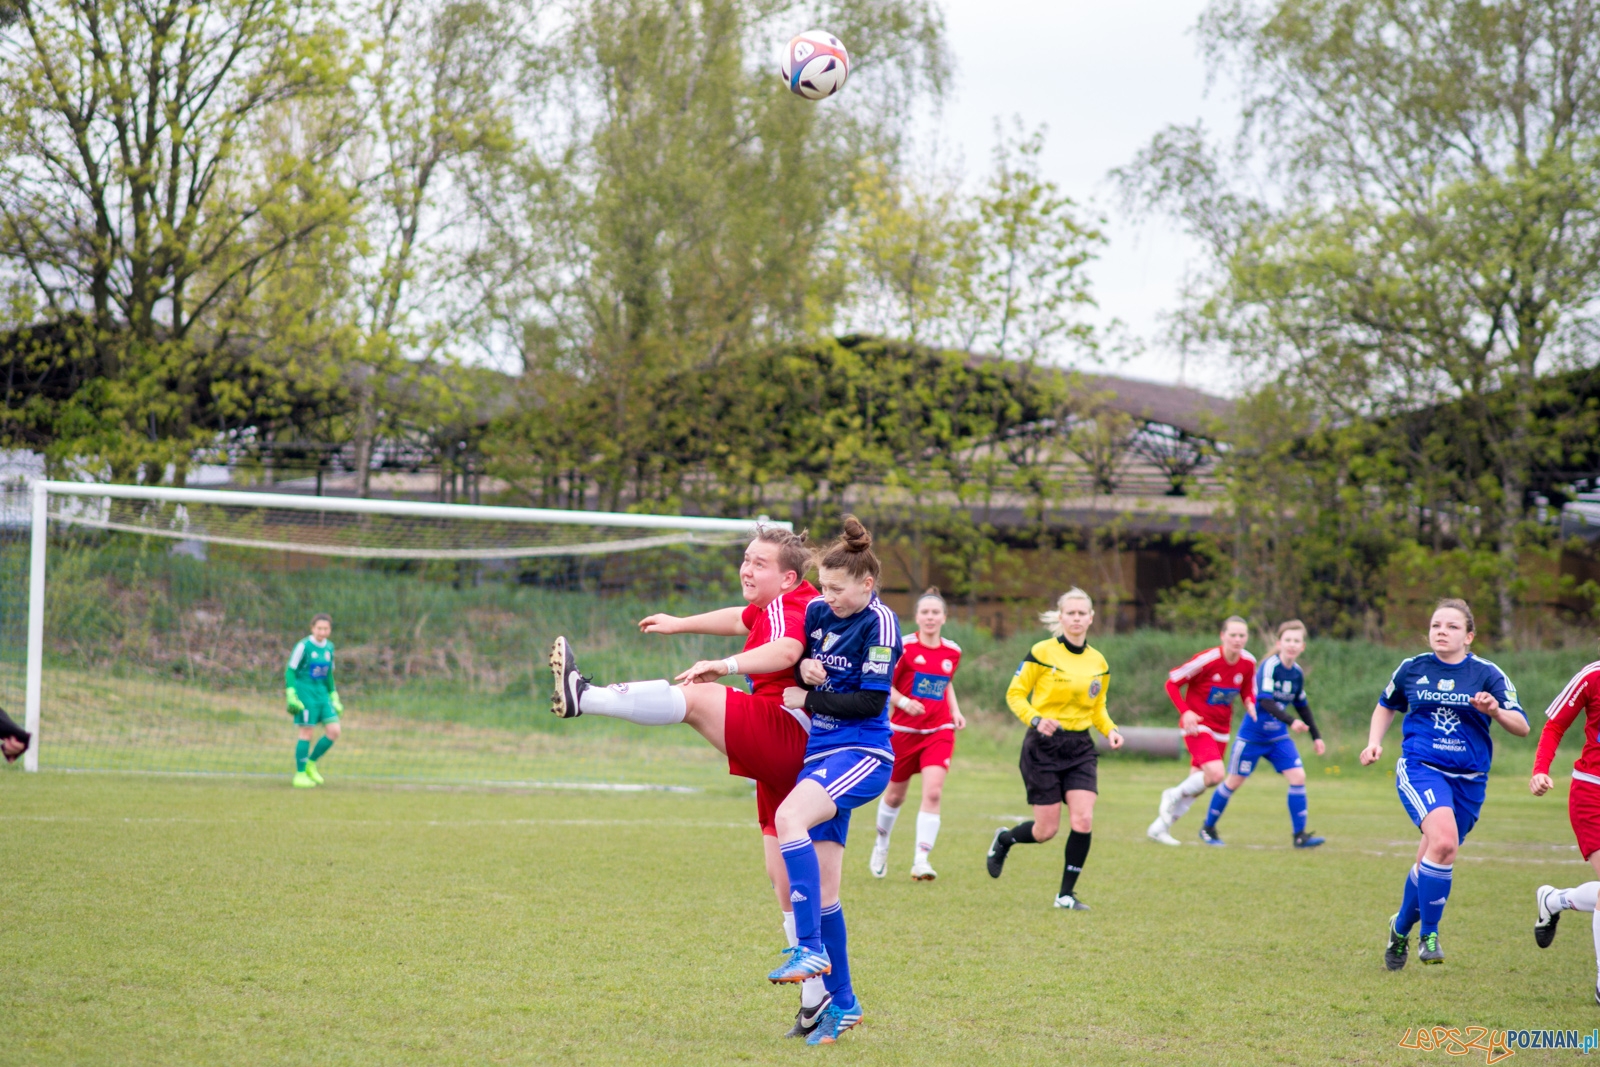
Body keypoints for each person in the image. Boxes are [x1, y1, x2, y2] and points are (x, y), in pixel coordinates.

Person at [548, 526, 833, 1038]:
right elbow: (737, 618)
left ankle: (584, 696)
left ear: (788, 577)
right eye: (745, 559)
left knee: (700, 699)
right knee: (783, 879)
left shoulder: (797, 605)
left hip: (793, 734)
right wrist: (680, 625)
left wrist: (724, 665)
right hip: (783, 751)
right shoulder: (769, 606)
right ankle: (816, 1001)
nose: (747, 569)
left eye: (758, 563)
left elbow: (787, 652)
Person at [766, 516, 898, 1046]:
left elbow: (870, 699)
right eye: (824, 587)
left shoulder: (882, 623)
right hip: (820, 754)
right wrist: (806, 675)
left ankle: (810, 948)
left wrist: (808, 696)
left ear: (867, 585)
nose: (828, 598)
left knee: (787, 818)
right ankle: (843, 1003)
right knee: (824, 892)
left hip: (864, 752)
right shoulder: (819, 613)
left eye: (839, 589)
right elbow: (803, 666)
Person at [1362, 598, 1527, 969]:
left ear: (1469, 636)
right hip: (1422, 768)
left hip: (1469, 781)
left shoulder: (1487, 674)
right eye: (1437, 625)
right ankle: (1429, 936)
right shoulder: (1412, 668)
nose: (1442, 631)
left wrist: (1496, 711)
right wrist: (1374, 742)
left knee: (1432, 858)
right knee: (1444, 842)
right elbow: (1386, 704)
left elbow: (1522, 726)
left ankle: (1400, 928)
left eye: (1452, 626)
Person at [986, 588, 1124, 909]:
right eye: (1070, 613)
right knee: (1046, 830)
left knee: (1083, 819)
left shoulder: (1098, 661)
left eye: (1082, 613)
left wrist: (1111, 729)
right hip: (1043, 747)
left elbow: (1098, 707)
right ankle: (1005, 839)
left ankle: (1065, 895)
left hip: (1080, 748)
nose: (1076, 618)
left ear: (1091, 618)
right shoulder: (1042, 652)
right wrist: (1035, 719)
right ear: (1060, 617)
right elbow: (1015, 694)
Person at [1199, 620, 1326, 848]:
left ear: (1302, 646)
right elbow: (1265, 700)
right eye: (1287, 640)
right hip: (1253, 736)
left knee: (1298, 777)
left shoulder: (1296, 673)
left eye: (1296, 641)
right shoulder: (1270, 666)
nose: (1292, 645)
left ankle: (1300, 836)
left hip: (1277, 737)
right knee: (1234, 781)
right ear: (1279, 643)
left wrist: (1316, 736)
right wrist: (1291, 721)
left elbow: (1302, 705)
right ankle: (1208, 828)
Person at [870, 587, 966, 881]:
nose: (930, 617)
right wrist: (902, 702)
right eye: (925, 612)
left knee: (934, 792)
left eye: (936, 612)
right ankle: (881, 844)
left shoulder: (953, 651)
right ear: (917, 616)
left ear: (944, 617)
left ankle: (921, 860)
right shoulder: (903, 647)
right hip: (903, 732)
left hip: (939, 730)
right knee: (895, 796)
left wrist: (955, 711)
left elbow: (944, 682)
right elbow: (884, 683)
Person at [1146, 616, 1256, 846]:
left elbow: (1246, 689)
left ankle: (1159, 828)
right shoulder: (1208, 659)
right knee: (1215, 775)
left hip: (1222, 730)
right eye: (1233, 635)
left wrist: (1250, 703)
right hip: (1197, 726)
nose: (1237, 639)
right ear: (1222, 636)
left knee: (1197, 785)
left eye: (1242, 635)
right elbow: (1172, 682)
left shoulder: (1248, 662)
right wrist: (1185, 711)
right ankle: (1171, 794)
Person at [1529, 656, 1600, 1002]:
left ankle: (1554, 900)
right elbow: (1555, 725)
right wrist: (1540, 769)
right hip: (1592, 794)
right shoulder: (1592, 676)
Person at [286, 613, 342, 789]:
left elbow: (329, 674)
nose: (322, 632)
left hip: (322, 695)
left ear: (330, 630)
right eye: (319, 628)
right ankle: (300, 774)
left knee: (334, 730)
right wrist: (291, 693)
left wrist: (334, 694)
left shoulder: (329, 648)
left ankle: (311, 763)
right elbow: (290, 670)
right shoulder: (303, 646)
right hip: (305, 694)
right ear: (312, 628)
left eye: (326, 628)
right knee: (307, 733)